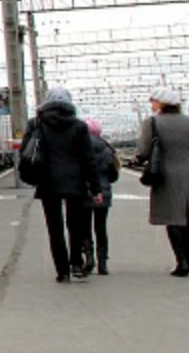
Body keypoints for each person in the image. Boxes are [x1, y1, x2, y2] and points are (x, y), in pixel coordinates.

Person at [21, 87, 102, 283]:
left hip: (48, 181)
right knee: (75, 225)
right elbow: (88, 159)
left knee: (54, 228)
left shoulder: (36, 123)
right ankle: (75, 263)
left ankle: (62, 271)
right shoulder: (79, 126)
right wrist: (96, 188)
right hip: (75, 182)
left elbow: (26, 151)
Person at [136, 87, 189, 277]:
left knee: (173, 217)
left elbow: (143, 150)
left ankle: (181, 261)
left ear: (163, 103)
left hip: (165, 173)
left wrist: (139, 159)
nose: (152, 104)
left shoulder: (152, 122)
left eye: (154, 101)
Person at [80, 117, 119, 275]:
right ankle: (103, 263)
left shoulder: (79, 148)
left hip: (83, 192)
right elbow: (113, 175)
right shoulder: (107, 148)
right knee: (101, 227)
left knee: (85, 226)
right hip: (104, 192)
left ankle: (89, 258)